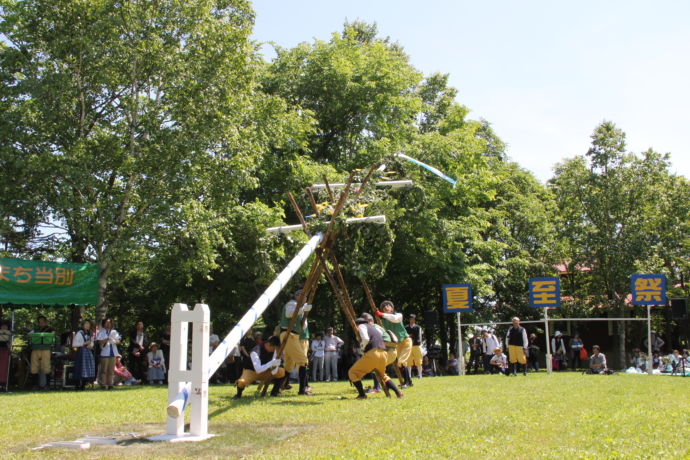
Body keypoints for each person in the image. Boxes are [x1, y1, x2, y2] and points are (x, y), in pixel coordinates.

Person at [349, 313, 403, 399]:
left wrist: (362, 347)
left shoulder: (362, 326)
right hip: (384, 353)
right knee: (383, 375)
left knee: (352, 372)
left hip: (373, 353)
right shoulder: (373, 327)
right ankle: (398, 393)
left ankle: (362, 395)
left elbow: (366, 339)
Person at [280, 289, 312, 395]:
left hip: (293, 335)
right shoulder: (292, 304)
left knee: (289, 363)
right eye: (303, 296)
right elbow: (290, 314)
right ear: (297, 296)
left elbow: (302, 327)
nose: (305, 298)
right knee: (303, 361)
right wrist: (302, 309)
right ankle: (303, 389)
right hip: (289, 335)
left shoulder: (298, 306)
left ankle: (279, 388)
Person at [376, 300, 412, 388]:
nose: (386, 307)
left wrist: (381, 314)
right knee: (401, 363)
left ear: (392, 308)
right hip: (397, 344)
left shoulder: (398, 315)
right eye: (384, 307)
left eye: (388, 305)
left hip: (406, 340)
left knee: (402, 362)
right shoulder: (383, 321)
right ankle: (409, 382)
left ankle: (406, 383)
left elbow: (394, 319)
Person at [28, 315, 55, 390]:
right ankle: (36, 385)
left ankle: (47, 385)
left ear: (45, 322)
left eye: (43, 322)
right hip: (35, 349)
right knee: (34, 366)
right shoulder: (35, 330)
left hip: (46, 349)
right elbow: (28, 336)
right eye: (40, 322)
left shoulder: (50, 329)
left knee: (46, 366)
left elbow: (53, 337)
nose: (41, 323)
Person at [96, 318, 121, 390]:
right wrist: (107, 339)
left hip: (113, 353)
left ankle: (110, 385)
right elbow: (100, 342)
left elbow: (118, 341)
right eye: (107, 322)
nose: (108, 324)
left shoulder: (114, 331)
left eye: (110, 322)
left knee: (111, 370)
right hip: (104, 353)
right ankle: (103, 385)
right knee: (103, 370)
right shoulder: (101, 332)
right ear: (104, 323)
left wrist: (114, 340)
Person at [72, 319, 96, 390]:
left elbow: (92, 343)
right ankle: (77, 385)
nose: (87, 325)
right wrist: (84, 344)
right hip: (81, 352)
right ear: (83, 325)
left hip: (88, 352)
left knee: (87, 368)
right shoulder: (80, 333)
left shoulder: (91, 333)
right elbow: (74, 344)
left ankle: (84, 385)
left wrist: (91, 345)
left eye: (88, 324)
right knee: (80, 368)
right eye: (86, 324)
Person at [405, 314, 424, 379]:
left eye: (413, 319)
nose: (412, 320)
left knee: (418, 361)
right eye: (410, 319)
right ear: (409, 319)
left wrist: (420, 345)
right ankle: (409, 376)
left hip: (416, 345)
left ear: (414, 319)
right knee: (408, 362)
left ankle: (420, 375)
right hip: (408, 346)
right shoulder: (406, 327)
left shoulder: (418, 327)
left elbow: (420, 337)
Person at [0, 320, 11, 388]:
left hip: (5, 350)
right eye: (2, 326)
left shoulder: (9, 334)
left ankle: (3, 382)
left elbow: (10, 343)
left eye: (5, 326)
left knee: (4, 367)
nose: (4, 327)